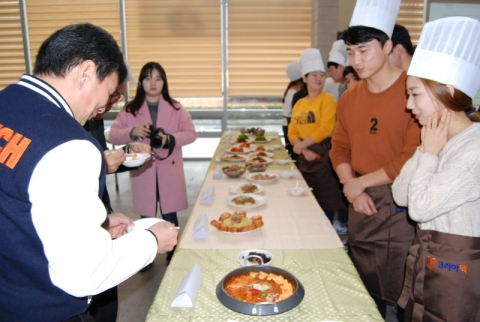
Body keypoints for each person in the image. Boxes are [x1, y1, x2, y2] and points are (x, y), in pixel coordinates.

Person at [0, 23, 178, 322]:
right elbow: (82, 274)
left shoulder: (7, 102)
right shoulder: (68, 144)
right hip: (42, 307)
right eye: (108, 92)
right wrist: (150, 242)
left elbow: (24, 206)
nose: (100, 109)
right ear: (85, 73)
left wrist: (98, 224)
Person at [329, 0, 421, 318]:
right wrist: (350, 185)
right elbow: (339, 148)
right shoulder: (351, 97)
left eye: (364, 51)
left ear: (388, 45)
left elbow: (411, 157)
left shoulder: (414, 92)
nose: (356, 61)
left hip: (403, 200)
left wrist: (357, 185)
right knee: (364, 285)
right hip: (361, 200)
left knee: (404, 289)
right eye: (351, 52)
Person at [392, 16, 480, 321]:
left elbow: (419, 208)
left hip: (459, 274)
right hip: (427, 261)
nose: (408, 105)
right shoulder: (434, 137)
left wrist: (428, 153)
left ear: (448, 91)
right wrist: (424, 148)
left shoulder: (474, 149)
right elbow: (400, 194)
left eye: (415, 94)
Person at [109, 62, 197, 263]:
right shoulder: (131, 109)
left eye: (158, 78)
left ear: (164, 82)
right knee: (145, 218)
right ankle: (145, 254)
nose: (153, 83)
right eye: (148, 78)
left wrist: (170, 139)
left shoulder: (175, 107)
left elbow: (191, 133)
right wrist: (133, 132)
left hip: (169, 169)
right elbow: (113, 135)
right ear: (141, 83)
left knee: (170, 215)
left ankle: (172, 253)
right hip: (144, 171)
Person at [85, 80, 152, 322]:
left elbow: (103, 159)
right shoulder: (56, 123)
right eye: (113, 94)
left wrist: (126, 151)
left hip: (102, 213)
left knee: (107, 303)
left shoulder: (95, 115)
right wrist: (104, 162)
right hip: (83, 225)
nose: (113, 102)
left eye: (118, 96)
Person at [288, 48, 347, 224]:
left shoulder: (327, 99)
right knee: (307, 197)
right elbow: (292, 130)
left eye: (322, 75)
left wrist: (300, 146)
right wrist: (302, 149)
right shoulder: (299, 103)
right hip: (305, 156)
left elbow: (326, 129)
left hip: (323, 154)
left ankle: (327, 232)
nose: (319, 79)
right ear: (305, 78)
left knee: (326, 198)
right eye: (314, 75)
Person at [282, 60, 303, 158]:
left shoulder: (290, 89)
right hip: (291, 126)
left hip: (286, 124)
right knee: (294, 154)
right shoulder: (295, 93)